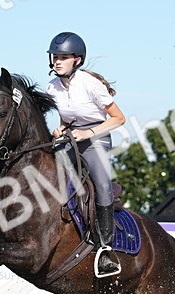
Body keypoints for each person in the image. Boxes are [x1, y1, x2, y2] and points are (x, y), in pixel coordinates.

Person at [46, 31, 127, 277]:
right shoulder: (52, 86)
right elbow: (67, 115)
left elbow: (118, 119)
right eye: (55, 57)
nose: (57, 62)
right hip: (71, 137)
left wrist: (89, 132)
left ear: (77, 60)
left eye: (63, 57)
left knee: (102, 186)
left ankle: (105, 249)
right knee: (48, 175)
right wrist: (61, 127)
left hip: (97, 138)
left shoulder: (90, 84)